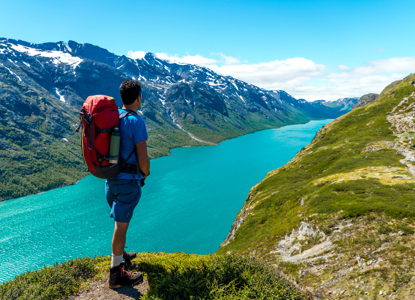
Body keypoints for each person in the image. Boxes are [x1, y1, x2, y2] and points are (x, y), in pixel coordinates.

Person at [105, 80, 150, 289]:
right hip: (127, 183)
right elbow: (143, 157)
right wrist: (146, 173)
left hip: (110, 181)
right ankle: (116, 273)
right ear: (138, 97)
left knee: (119, 223)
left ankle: (121, 256)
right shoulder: (136, 121)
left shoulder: (114, 117)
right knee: (121, 227)